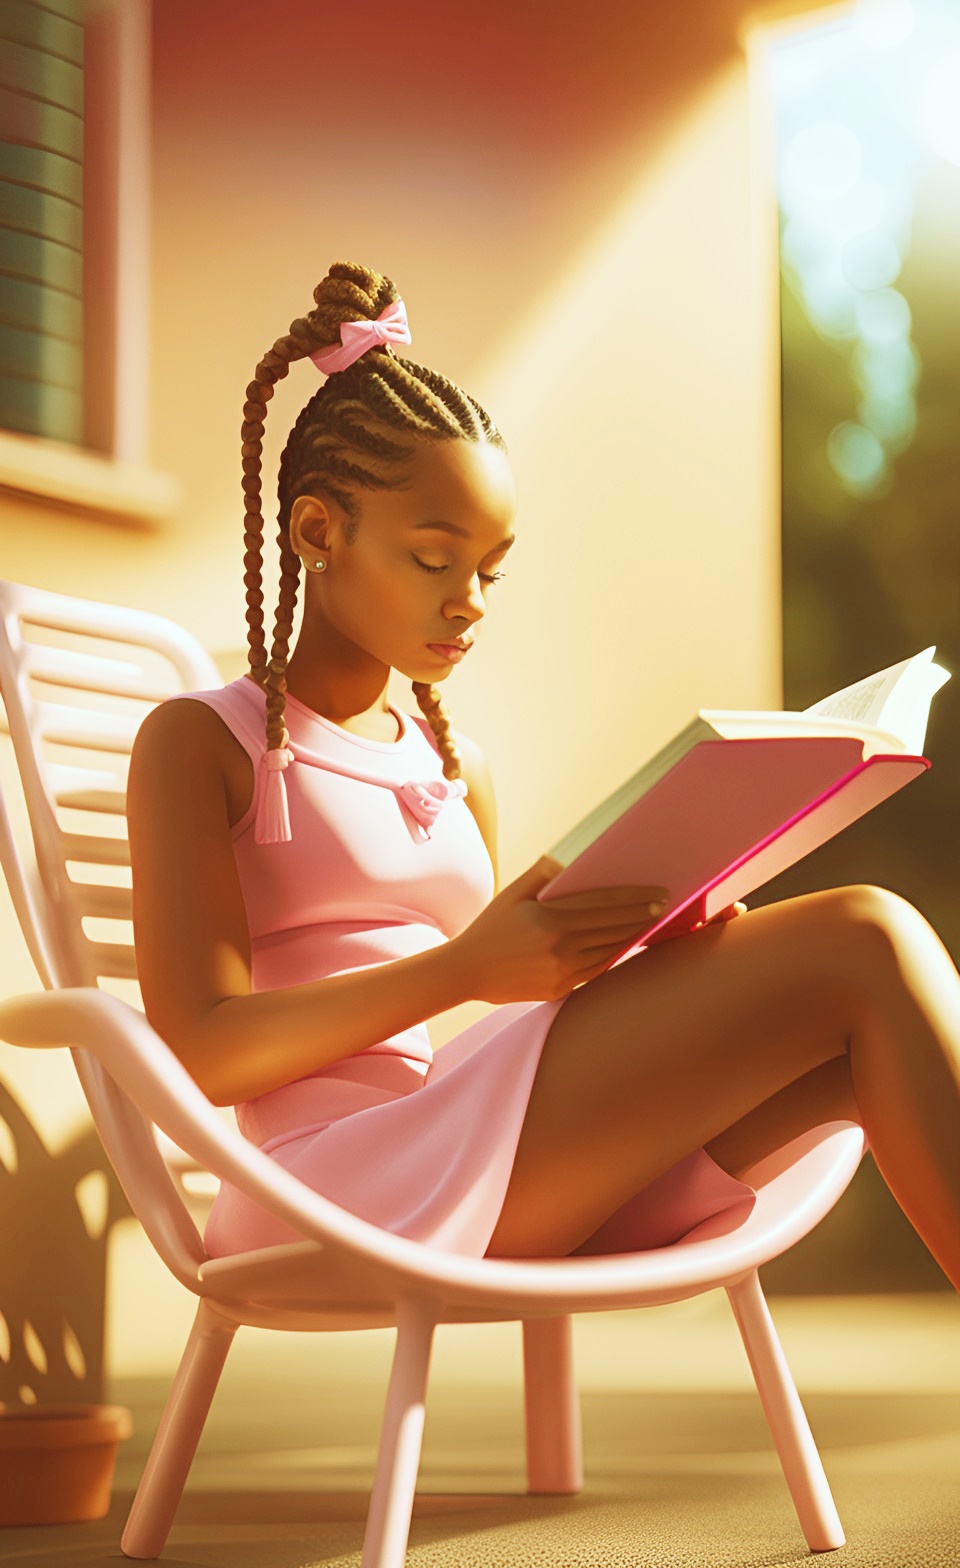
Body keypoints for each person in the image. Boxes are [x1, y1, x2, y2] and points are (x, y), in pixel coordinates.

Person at [127, 260, 960, 1283]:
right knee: (869, 933)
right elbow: (204, 1051)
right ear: (317, 530)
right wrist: (466, 967)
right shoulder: (201, 741)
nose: (470, 598)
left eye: (490, 567)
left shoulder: (454, 765)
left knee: (848, 1032)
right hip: (332, 1183)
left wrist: (634, 947)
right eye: (436, 560)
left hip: (465, 1140)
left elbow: (494, 998)